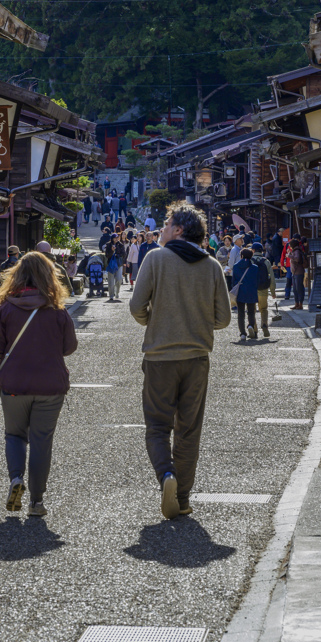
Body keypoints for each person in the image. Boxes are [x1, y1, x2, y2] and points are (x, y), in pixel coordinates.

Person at [130, 203, 231, 519]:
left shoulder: (156, 259)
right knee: (189, 431)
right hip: (197, 357)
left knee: (158, 426)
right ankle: (183, 499)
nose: (161, 228)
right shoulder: (211, 265)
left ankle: (166, 476)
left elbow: (136, 306)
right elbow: (224, 319)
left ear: (178, 230)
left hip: (160, 357)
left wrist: (154, 320)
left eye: (165, 223)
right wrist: (197, 324)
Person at [0, 251, 78, 515]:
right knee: (41, 440)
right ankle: (36, 502)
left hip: (14, 384)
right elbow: (69, 347)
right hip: (50, 385)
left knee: (14, 435)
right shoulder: (57, 310)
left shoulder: (5, 308)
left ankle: (16, 479)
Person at [231, 247, 260, 342]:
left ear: (241, 256)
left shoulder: (235, 266)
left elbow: (233, 280)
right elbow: (257, 280)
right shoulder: (255, 268)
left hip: (240, 291)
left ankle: (242, 333)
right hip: (251, 291)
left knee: (241, 313)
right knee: (251, 311)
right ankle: (251, 325)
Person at [251, 239, 276, 338]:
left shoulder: (250, 261)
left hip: (252, 289)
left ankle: (254, 329)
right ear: (262, 251)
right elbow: (272, 278)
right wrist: (273, 291)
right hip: (263, 289)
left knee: (252, 310)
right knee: (264, 309)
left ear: (253, 250)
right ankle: (264, 324)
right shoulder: (266, 261)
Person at [104, 233, 126, 301]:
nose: (116, 239)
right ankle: (111, 295)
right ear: (112, 238)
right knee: (111, 281)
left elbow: (124, 254)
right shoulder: (108, 245)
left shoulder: (121, 245)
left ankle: (117, 292)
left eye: (117, 237)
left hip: (119, 264)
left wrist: (117, 255)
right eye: (115, 238)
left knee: (119, 279)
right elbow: (107, 255)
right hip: (111, 264)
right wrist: (112, 251)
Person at [289, 237, 307, 310]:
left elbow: (297, 259)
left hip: (298, 272)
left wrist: (289, 256)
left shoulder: (297, 251)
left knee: (299, 288)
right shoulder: (295, 250)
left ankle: (300, 304)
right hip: (295, 272)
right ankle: (297, 303)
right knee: (295, 289)